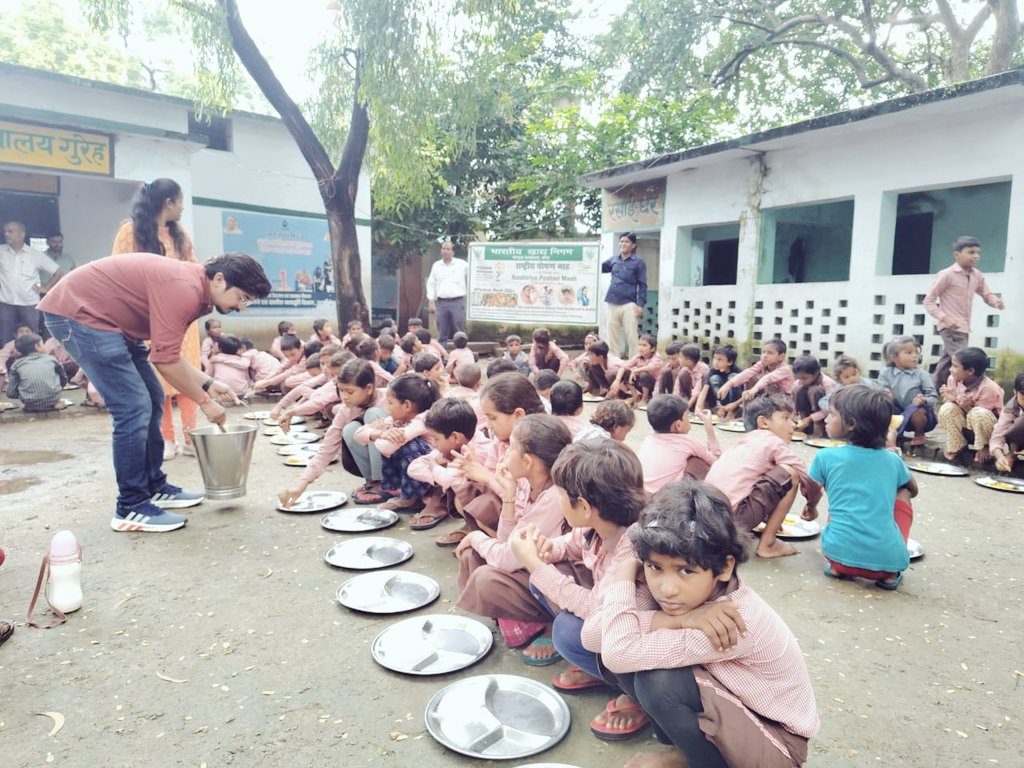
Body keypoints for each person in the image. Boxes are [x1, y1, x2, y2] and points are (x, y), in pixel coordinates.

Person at [39, 252, 271, 532]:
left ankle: (153, 486)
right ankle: (131, 506)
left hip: (114, 325)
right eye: (243, 297)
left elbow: (167, 352)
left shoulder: (197, 291)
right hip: (81, 315)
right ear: (219, 279)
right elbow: (166, 362)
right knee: (132, 406)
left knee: (152, 396)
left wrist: (207, 383)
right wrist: (204, 401)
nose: (242, 307)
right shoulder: (185, 289)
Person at [599, 480, 820, 767]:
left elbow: (616, 652)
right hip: (741, 713)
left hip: (777, 745)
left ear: (725, 567)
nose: (667, 588)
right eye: (655, 567)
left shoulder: (734, 619)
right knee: (633, 651)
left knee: (659, 681)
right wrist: (676, 617)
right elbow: (597, 636)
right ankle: (688, 754)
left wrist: (623, 573)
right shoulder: (685, 599)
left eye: (686, 571)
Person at [508, 440, 646, 731]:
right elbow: (570, 546)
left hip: (637, 634)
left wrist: (535, 565)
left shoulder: (631, 546)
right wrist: (547, 549)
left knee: (568, 632)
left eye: (560, 495)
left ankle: (634, 692)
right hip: (607, 613)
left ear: (583, 506)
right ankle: (598, 669)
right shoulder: (598, 524)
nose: (558, 500)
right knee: (544, 579)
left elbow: (599, 609)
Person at [455, 414, 573, 664]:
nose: (506, 455)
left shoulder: (554, 496)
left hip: (561, 576)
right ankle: (526, 622)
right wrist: (509, 494)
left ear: (528, 461)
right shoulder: (528, 484)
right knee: (472, 556)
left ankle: (551, 623)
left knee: (486, 575)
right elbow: (505, 542)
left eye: (511, 449)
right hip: (527, 567)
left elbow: (508, 558)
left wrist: (476, 536)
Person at [112, 178, 202, 460]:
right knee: (159, 378)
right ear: (168, 203)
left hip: (183, 316)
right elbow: (118, 272)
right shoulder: (130, 232)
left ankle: (192, 437)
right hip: (147, 315)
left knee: (187, 373)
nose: (183, 208)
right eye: (180, 202)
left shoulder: (180, 234)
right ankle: (166, 439)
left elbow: (194, 270)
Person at [814, 385, 918, 590]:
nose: (826, 419)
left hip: (838, 557)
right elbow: (912, 489)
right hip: (886, 564)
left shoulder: (825, 457)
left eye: (832, 414)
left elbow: (810, 488)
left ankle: (837, 569)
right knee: (902, 493)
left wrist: (810, 506)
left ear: (851, 424)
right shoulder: (892, 460)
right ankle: (890, 576)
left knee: (841, 494)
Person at [705, 394, 821, 559]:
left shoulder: (744, 443)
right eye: (786, 418)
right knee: (790, 473)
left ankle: (768, 525)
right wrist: (812, 505)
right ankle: (768, 544)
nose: (793, 424)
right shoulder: (772, 441)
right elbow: (808, 479)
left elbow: (749, 484)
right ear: (763, 422)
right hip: (733, 523)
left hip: (708, 520)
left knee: (770, 474)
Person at [278, 358, 386, 508]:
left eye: (350, 391)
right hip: (384, 458)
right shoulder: (347, 410)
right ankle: (374, 482)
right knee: (350, 429)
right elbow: (326, 449)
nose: (344, 397)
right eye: (341, 390)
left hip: (403, 462)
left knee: (373, 415)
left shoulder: (388, 399)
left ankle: (387, 484)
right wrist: (301, 485)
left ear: (368, 388)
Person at [923, 236, 1005, 389]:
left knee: (948, 361)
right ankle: (979, 390)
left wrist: (996, 302)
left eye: (978, 253)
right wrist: (945, 318)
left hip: (964, 328)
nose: (976, 256)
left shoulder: (977, 275)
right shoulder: (947, 274)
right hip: (951, 329)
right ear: (957, 255)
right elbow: (928, 301)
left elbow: (986, 294)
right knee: (966, 361)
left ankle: (932, 391)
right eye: (971, 252)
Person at [353, 373, 440, 513]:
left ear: (407, 405)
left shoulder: (423, 420)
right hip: (417, 470)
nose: (387, 407)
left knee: (407, 445)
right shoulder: (398, 420)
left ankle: (411, 498)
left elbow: (387, 447)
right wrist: (380, 433)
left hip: (433, 470)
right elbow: (358, 435)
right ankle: (403, 492)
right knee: (396, 442)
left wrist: (383, 434)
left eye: (390, 403)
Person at [637, 395, 721, 495]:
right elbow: (716, 463)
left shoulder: (648, 438)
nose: (689, 420)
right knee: (696, 461)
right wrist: (708, 426)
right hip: (666, 502)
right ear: (678, 425)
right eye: (687, 417)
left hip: (642, 499)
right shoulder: (688, 442)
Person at [937, 346, 1004, 463]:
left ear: (970, 371)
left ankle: (984, 446)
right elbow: (952, 410)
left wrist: (965, 405)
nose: (951, 369)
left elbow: (981, 417)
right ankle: (957, 445)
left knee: (978, 413)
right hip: (965, 429)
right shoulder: (953, 379)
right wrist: (950, 399)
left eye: (955, 366)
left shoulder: (989, 388)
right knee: (947, 408)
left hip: (988, 431)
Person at [1, 220, 63, 346]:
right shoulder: (1, 251)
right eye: (5, 231)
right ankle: (6, 364)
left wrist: (45, 288)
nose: (6, 234)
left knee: (31, 338)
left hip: (29, 303)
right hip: (5, 303)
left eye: (10, 231)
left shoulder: (35, 254)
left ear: (22, 234)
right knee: (5, 337)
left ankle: (32, 363)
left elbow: (58, 271)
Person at [877, 335, 938, 451]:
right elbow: (881, 390)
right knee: (883, 408)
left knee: (916, 411)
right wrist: (886, 395)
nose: (915, 356)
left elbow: (933, 396)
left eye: (916, 352)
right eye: (909, 353)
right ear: (894, 357)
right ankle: (892, 435)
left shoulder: (921, 374)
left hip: (920, 416)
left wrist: (924, 400)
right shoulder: (886, 373)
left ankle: (919, 434)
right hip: (898, 412)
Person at [714, 338, 793, 419]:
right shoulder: (762, 364)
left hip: (784, 403)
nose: (765, 356)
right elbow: (748, 373)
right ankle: (747, 415)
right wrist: (728, 384)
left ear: (781, 357)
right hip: (768, 399)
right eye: (763, 352)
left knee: (760, 385)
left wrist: (754, 389)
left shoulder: (785, 369)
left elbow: (768, 378)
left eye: (770, 353)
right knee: (750, 379)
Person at [602, 232, 647, 359]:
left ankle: (634, 361)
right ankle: (614, 361)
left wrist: (641, 305)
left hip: (629, 303)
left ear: (633, 245)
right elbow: (598, 267)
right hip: (612, 301)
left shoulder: (638, 262)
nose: (623, 244)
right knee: (612, 335)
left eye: (626, 242)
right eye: (621, 241)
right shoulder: (613, 260)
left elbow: (642, 284)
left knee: (631, 335)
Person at [6, 332, 67, 412]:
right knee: (57, 373)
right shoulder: (51, 359)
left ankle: (32, 402)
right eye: (42, 344)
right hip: (53, 398)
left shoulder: (17, 364)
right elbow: (64, 379)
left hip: (28, 401)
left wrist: (26, 394)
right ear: (37, 346)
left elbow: (11, 393)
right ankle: (52, 402)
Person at [425, 240, 468, 346]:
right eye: (443, 249)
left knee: (459, 330)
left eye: (448, 249)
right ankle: (442, 355)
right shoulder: (436, 266)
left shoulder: (462, 265)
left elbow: (475, 272)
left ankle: (462, 354)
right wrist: (431, 299)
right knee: (442, 330)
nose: (445, 251)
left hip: (457, 302)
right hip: (441, 303)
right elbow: (431, 283)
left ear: (453, 252)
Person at [608, 333, 662, 407]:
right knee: (626, 372)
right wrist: (617, 381)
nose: (640, 348)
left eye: (644, 345)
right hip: (642, 385)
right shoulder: (638, 356)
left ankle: (644, 399)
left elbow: (651, 367)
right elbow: (624, 366)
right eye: (639, 345)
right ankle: (636, 396)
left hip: (654, 386)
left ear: (652, 349)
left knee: (643, 373)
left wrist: (636, 370)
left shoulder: (657, 356)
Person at [791, 355, 836, 437]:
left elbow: (831, 407)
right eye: (799, 378)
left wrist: (811, 418)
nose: (801, 381)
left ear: (816, 373)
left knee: (814, 390)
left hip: (824, 418)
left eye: (804, 378)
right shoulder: (798, 383)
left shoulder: (827, 383)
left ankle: (818, 431)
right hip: (806, 416)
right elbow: (793, 403)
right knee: (798, 389)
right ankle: (803, 426)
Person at [991, 373, 1024, 473]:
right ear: (1015, 392)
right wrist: (1000, 457)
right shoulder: (1009, 409)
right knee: (1019, 424)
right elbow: (998, 435)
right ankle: (1012, 455)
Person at [696, 344, 741, 413]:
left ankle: (731, 413)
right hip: (719, 403)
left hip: (735, 404)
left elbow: (743, 395)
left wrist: (734, 405)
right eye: (714, 358)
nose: (715, 362)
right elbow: (704, 390)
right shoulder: (713, 371)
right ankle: (720, 408)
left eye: (720, 359)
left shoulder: (738, 372)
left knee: (733, 377)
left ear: (730, 362)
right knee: (714, 378)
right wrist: (698, 408)